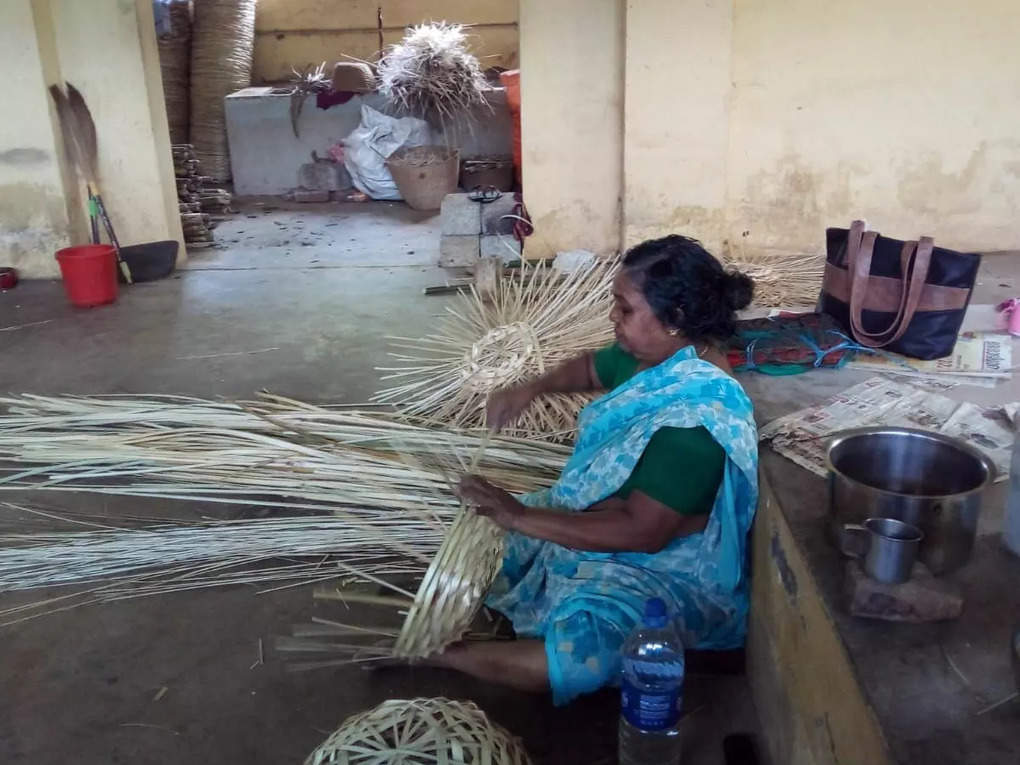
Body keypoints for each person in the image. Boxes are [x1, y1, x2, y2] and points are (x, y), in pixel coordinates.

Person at [436, 235, 759, 706]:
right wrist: (532, 387)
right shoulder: (654, 357)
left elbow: (643, 533)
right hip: (606, 522)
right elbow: (591, 369)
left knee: (583, 658)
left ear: (677, 321)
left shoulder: (696, 421)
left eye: (624, 309)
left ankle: (443, 656)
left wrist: (520, 517)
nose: (613, 317)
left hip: (661, 569)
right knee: (478, 533)